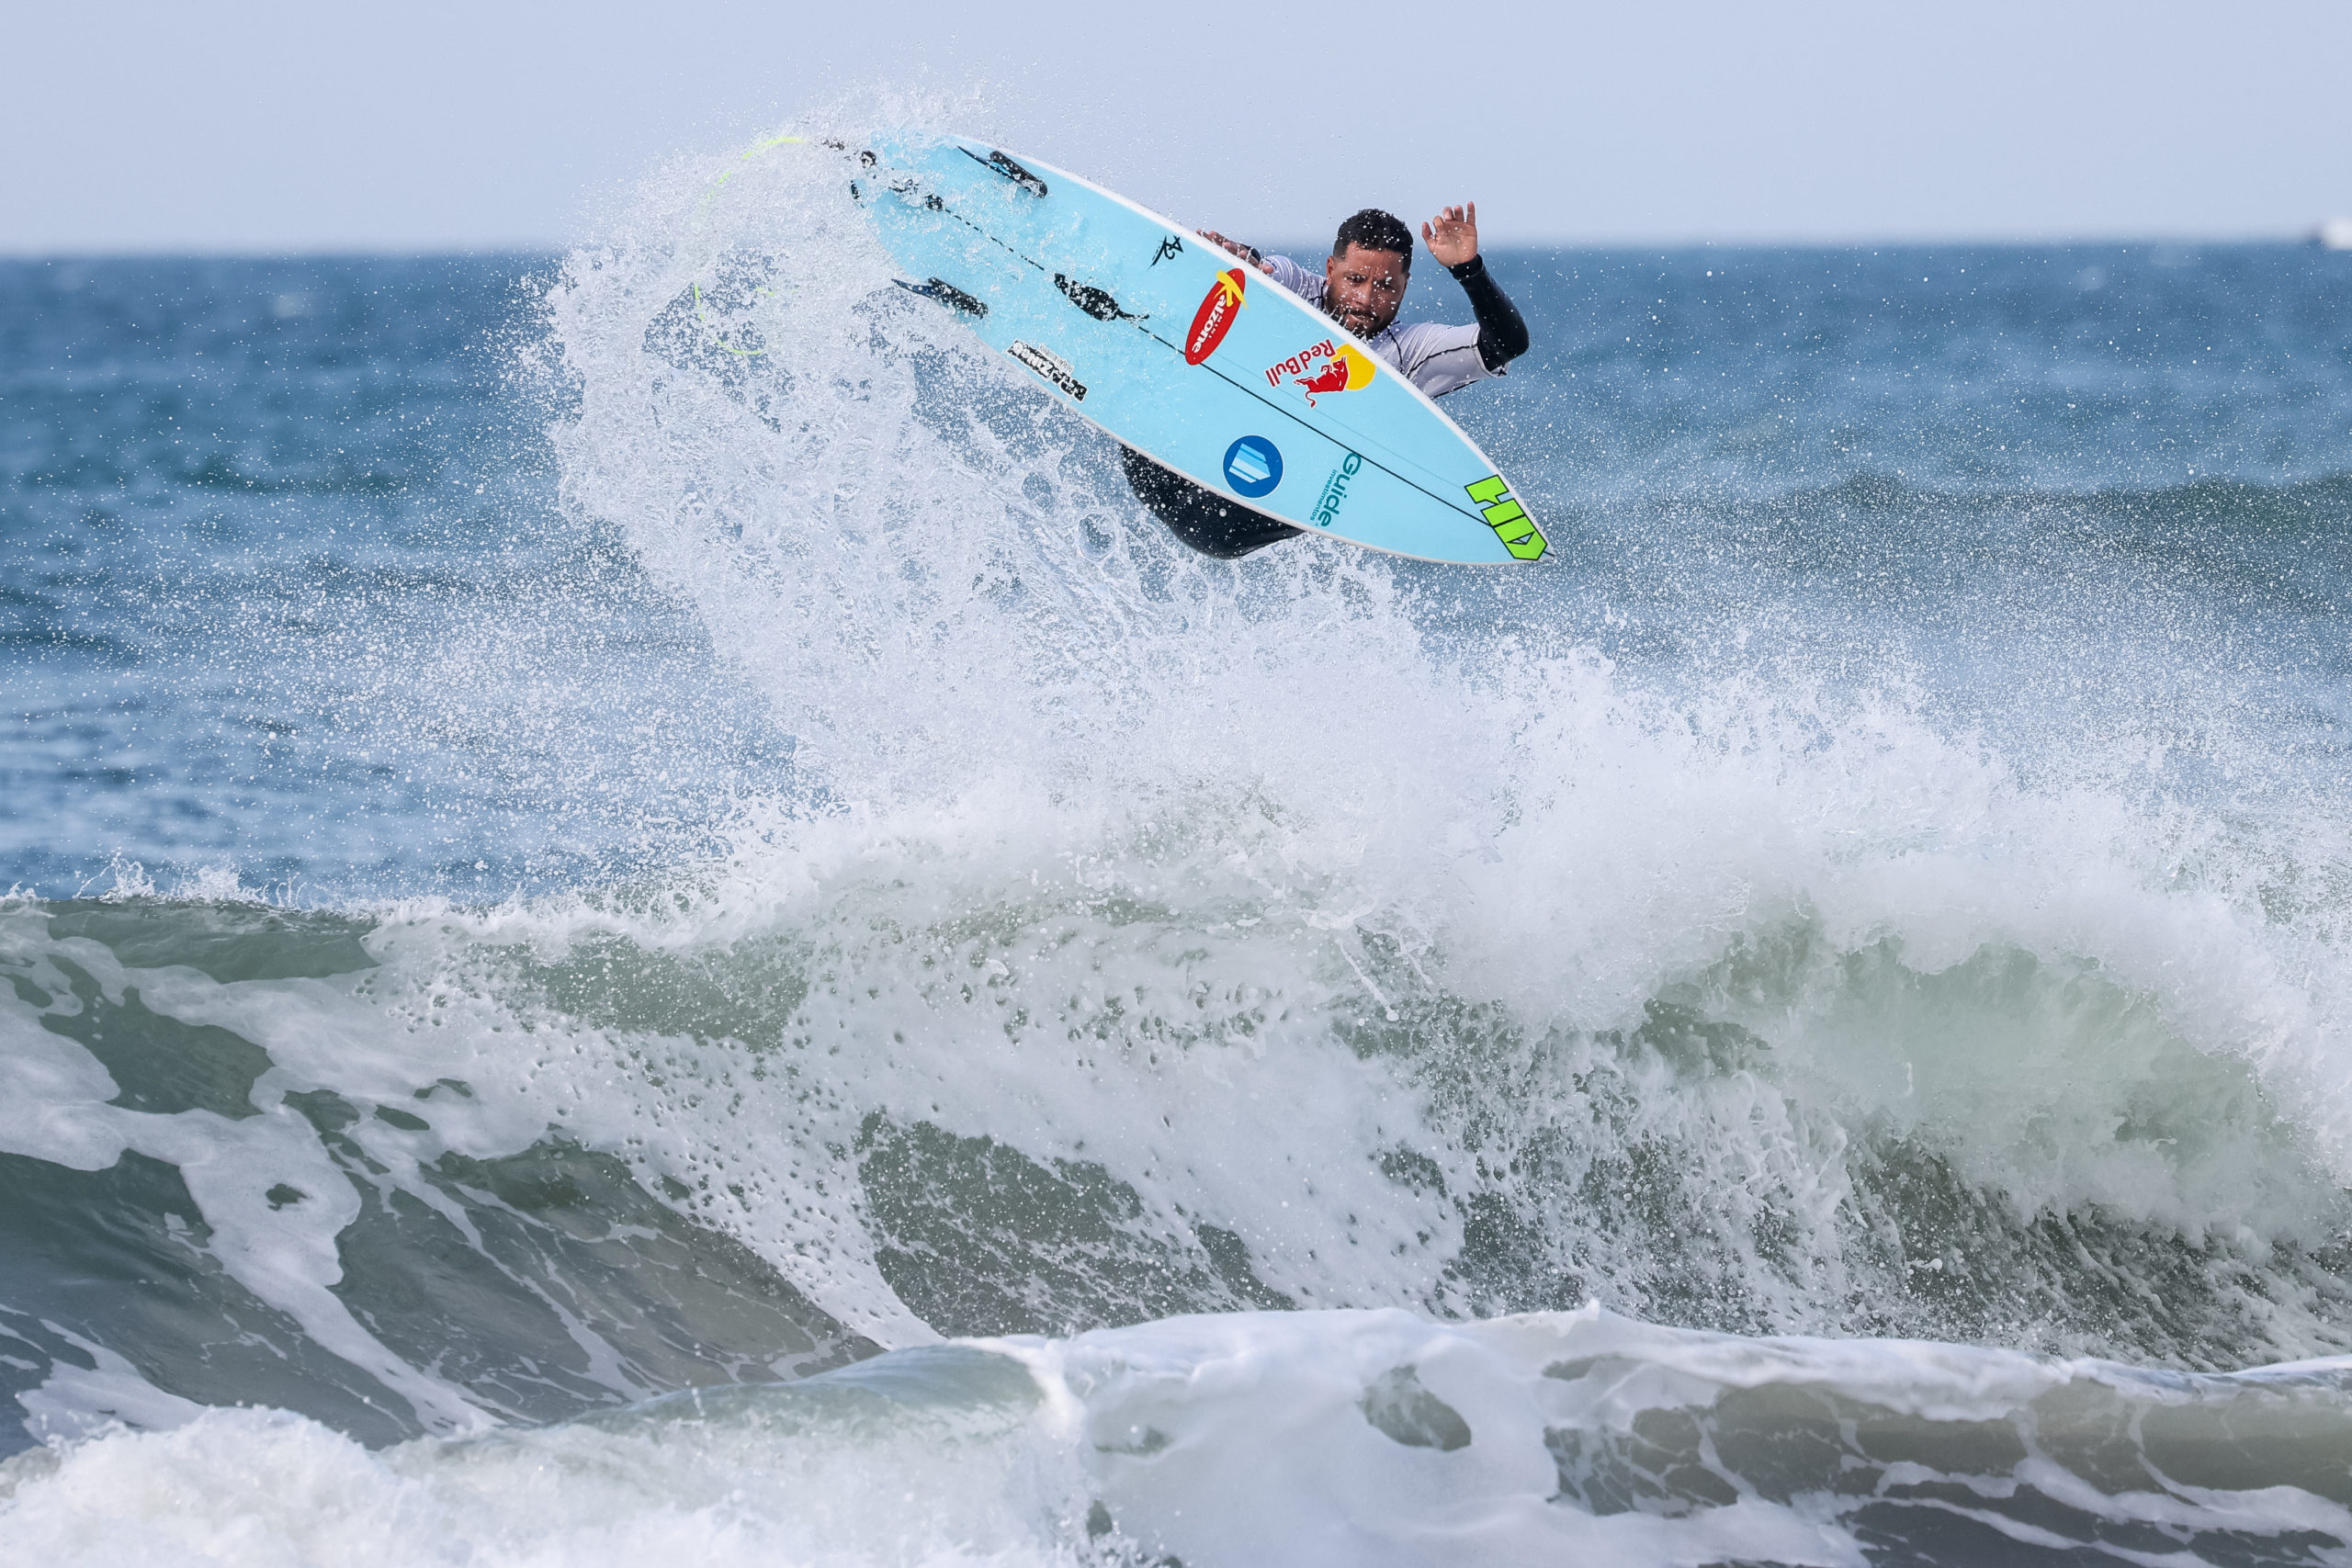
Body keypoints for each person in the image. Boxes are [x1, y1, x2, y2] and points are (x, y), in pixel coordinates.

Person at [1123, 204, 1530, 558]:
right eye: (1355, 280)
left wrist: (1469, 270)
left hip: (1237, 520)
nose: (1367, 299)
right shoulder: (1298, 289)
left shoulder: (1411, 350)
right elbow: (1264, 270)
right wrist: (1237, 261)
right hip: (1171, 460)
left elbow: (1506, 344)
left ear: (1405, 288)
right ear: (1331, 270)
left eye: (1386, 286)